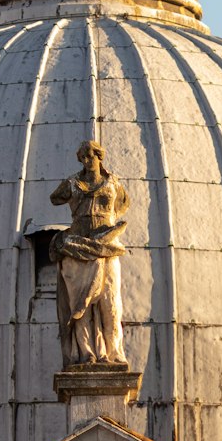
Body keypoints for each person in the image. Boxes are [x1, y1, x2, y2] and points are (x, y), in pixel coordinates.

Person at [50, 141, 130, 368]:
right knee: (80, 306)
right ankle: (86, 353)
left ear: (99, 157)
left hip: (107, 245)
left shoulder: (113, 184)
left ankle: (114, 353)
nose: (87, 160)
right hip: (78, 246)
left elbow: (123, 204)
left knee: (110, 303)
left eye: (90, 156)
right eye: (83, 157)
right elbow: (55, 198)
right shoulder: (73, 184)